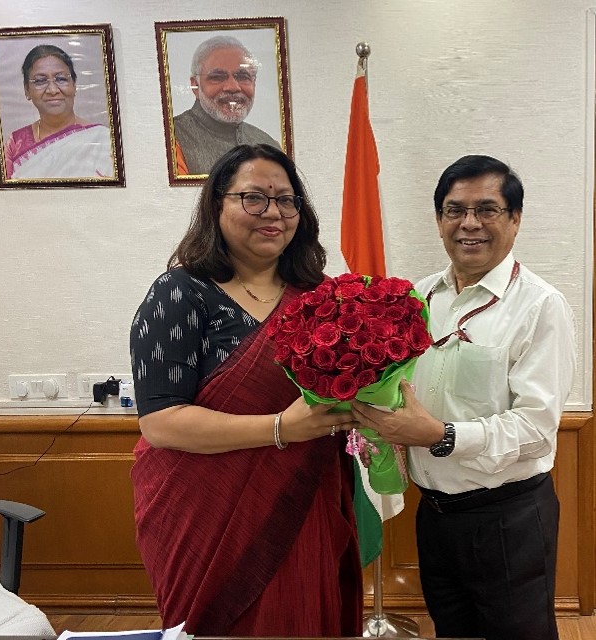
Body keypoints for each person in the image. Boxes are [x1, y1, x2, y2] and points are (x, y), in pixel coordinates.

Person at [129, 143, 362, 635]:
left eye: (286, 199)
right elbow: (161, 422)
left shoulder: (320, 298)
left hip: (300, 499)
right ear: (217, 204)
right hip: (204, 513)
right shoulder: (180, 293)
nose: (273, 213)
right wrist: (281, 428)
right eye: (253, 197)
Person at [351, 155, 576, 640]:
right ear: (439, 220)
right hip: (434, 514)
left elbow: (536, 429)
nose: (469, 223)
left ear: (515, 219)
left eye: (487, 209)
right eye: (455, 210)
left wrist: (440, 435)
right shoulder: (416, 298)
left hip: (508, 518)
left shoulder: (540, 305)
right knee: (452, 632)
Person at [173, 35, 281, 175]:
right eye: (217, 77)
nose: (232, 87)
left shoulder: (269, 145)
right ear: (196, 86)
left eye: (243, 76)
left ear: (254, 83)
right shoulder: (173, 137)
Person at [4, 44, 114, 179]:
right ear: (27, 90)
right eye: (40, 81)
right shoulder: (15, 143)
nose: (52, 90)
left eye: (61, 79)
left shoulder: (104, 140)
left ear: (74, 85)